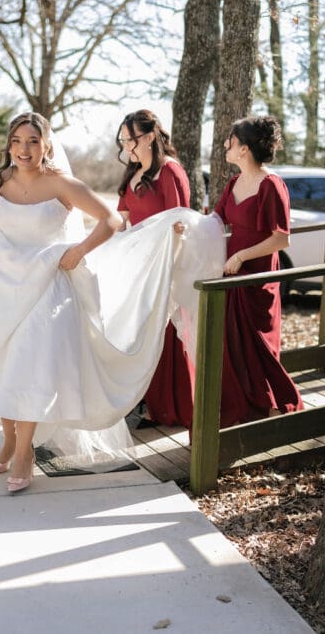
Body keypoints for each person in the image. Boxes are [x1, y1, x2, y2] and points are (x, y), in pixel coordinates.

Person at [0, 112, 225, 494]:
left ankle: (24, 452)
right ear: (9, 145)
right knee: (1, 362)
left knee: (27, 364)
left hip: (48, 288)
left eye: (33, 141)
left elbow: (109, 220)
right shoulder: (0, 180)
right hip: (3, 285)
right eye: (17, 141)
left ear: (46, 145)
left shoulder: (62, 183)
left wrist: (77, 251)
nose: (24, 149)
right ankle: (8, 441)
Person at [211, 116, 303, 426]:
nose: (226, 144)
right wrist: (183, 228)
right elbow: (215, 220)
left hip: (259, 274)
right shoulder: (234, 183)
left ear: (244, 149)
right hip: (233, 272)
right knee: (234, 342)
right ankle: (244, 407)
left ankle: (274, 405)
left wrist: (242, 256)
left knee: (258, 342)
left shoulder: (271, 185)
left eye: (231, 141)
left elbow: (281, 238)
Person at [115, 110, 196, 430]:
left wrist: (168, 267)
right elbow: (120, 221)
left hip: (165, 265)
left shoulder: (170, 171)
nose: (126, 146)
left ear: (149, 137)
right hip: (136, 267)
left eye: (130, 139)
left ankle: (168, 406)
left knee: (166, 334)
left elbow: (180, 222)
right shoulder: (132, 172)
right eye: (122, 140)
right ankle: (143, 399)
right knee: (138, 333)